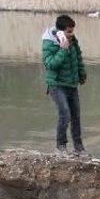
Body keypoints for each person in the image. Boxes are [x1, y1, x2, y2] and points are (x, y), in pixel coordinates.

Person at [42, 14, 87, 156]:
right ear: (60, 31)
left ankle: (79, 148)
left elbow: (78, 57)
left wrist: (82, 74)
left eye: (72, 31)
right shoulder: (49, 43)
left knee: (76, 116)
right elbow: (50, 64)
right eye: (69, 31)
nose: (71, 34)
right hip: (56, 85)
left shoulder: (73, 40)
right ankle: (60, 147)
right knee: (65, 114)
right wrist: (62, 49)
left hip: (71, 84)